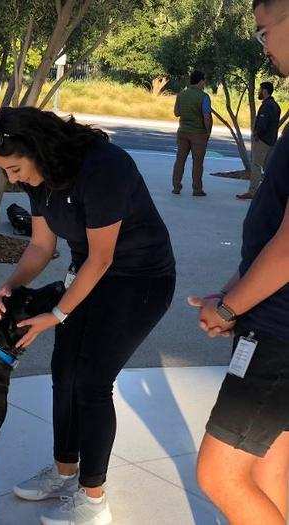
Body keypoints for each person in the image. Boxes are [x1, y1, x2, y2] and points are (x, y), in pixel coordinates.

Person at [0, 107, 176, 525]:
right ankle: (64, 469)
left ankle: (92, 499)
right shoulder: (39, 177)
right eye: (6, 172)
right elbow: (40, 246)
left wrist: (56, 312)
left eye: (15, 168)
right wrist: (9, 285)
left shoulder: (103, 166)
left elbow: (103, 258)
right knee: (64, 372)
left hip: (138, 279)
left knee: (91, 381)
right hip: (87, 272)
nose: (13, 179)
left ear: (38, 149)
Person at [191, 1, 289, 523]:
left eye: (262, 31)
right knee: (271, 466)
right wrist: (232, 293)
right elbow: (274, 234)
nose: (264, 46)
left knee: (220, 474)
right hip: (274, 318)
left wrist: (230, 309)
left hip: (281, 332)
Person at [237, 81, 282, 200]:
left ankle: (252, 192)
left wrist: (257, 134)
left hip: (263, 141)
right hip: (271, 141)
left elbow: (262, 125)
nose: (259, 92)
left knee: (256, 166)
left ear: (265, 91)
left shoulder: (266, 106)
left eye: (260, 90)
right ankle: (272, 193)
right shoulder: (275, 105)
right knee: (268, 168)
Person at [172, 70, 213, 196]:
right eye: (204, 81)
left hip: (183, 131)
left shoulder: (181, 95)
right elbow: (207, 116)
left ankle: (176, 186)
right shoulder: (204, 97)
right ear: (200, 81)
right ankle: (197, 189)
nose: (204, 83)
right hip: (198, 133)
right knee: (197, 163)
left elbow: (176, 113)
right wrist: (208, 132)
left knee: (180, 160)